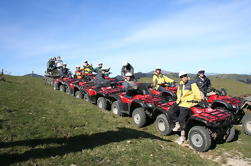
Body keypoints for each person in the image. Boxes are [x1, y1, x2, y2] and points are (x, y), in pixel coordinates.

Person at [172, 72, 203, 144]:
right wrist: (177, 101)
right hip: (180, 102)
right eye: (182, 77)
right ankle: (177, 124)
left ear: (187, 76)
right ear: (180, 78)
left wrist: (197, 100)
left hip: (187, 103)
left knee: (181, 119)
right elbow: (178, 93)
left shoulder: (191, 83)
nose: (183, 77)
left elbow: (197, 92)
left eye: (185, 76)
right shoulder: (180, 84)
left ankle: (182, 137)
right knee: (171, 112)